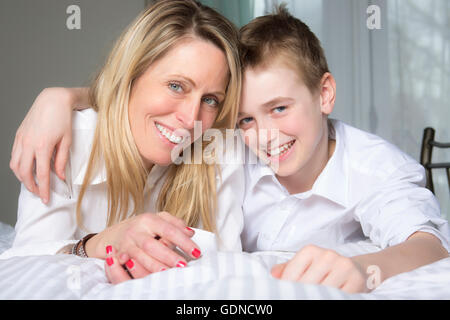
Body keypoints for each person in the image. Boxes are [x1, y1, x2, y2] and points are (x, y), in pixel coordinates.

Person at [10, 5, 450, 293]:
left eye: (280, 108)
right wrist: (62, 97)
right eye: (245, 118)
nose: (263, 135)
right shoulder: (219, 144)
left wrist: (365, 269)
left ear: (325, 94)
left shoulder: (367, 165)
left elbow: (430, 244)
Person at [5, 0, 245, 284]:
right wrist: (97, 244)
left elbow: (228, 265)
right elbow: (25, 266)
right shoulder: (69, 138)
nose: (191, 117)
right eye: (176, 86)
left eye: (210, 100)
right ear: (131, 74)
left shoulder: (217, 148)